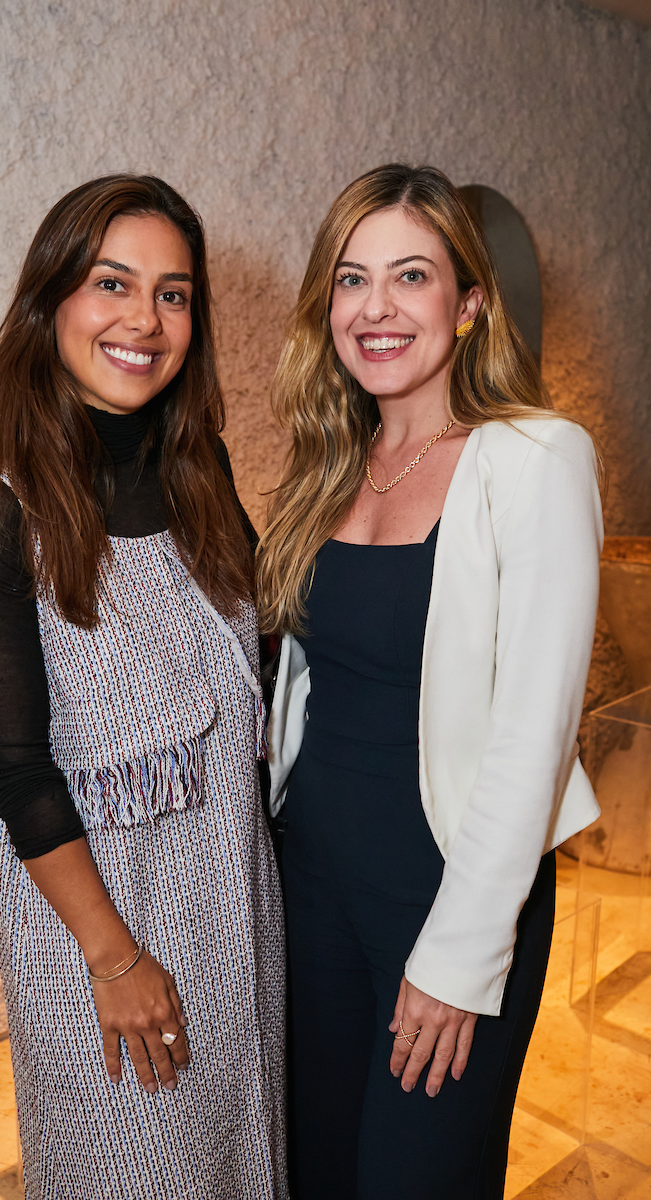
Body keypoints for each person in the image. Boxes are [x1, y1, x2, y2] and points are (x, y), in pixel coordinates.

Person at [256, 163, 602, 1200]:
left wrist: (456, 957)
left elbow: (531, 734)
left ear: (468, 304)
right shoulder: (332, 459)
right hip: (310, 879)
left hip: (445, 885)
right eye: (351, 279)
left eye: (410, 276)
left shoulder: (534, 457)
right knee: (318, 1171)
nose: (375, 307)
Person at [0, 175, 287, 1200]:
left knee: (242, 1159)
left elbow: (264, 648)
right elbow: (17, 772)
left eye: (173, 294)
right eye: (111, 283)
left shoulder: (197, 471)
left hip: (234, 908)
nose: (144, 318)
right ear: (50, 303)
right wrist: (116, 962)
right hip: (107, 936)